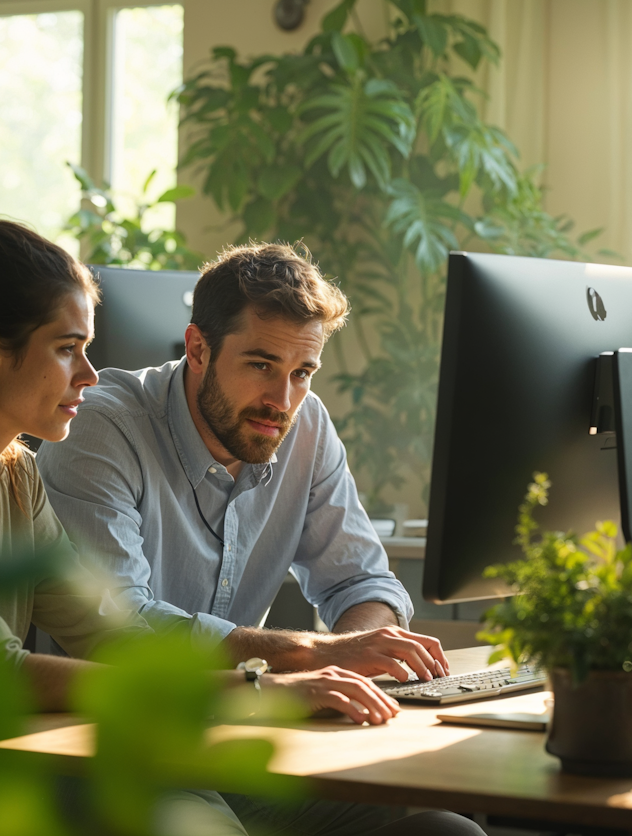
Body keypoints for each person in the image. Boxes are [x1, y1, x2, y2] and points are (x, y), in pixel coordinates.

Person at [0, 216, 479, 836]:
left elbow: (116, 631)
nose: (89, 377)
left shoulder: (16, 473)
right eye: (68, 351)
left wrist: (284, 675)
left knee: (435, 825)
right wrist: (263, 687)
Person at [36, 242, 453, 685]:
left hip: (242, 713)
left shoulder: (305, 423)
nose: (282, 401)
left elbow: (362, 583)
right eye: (260, 365)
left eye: (302, 373)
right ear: (197, 350)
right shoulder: (101, 428)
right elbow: (120, 627)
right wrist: (310, 653)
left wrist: (351, 660)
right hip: (101, 729)